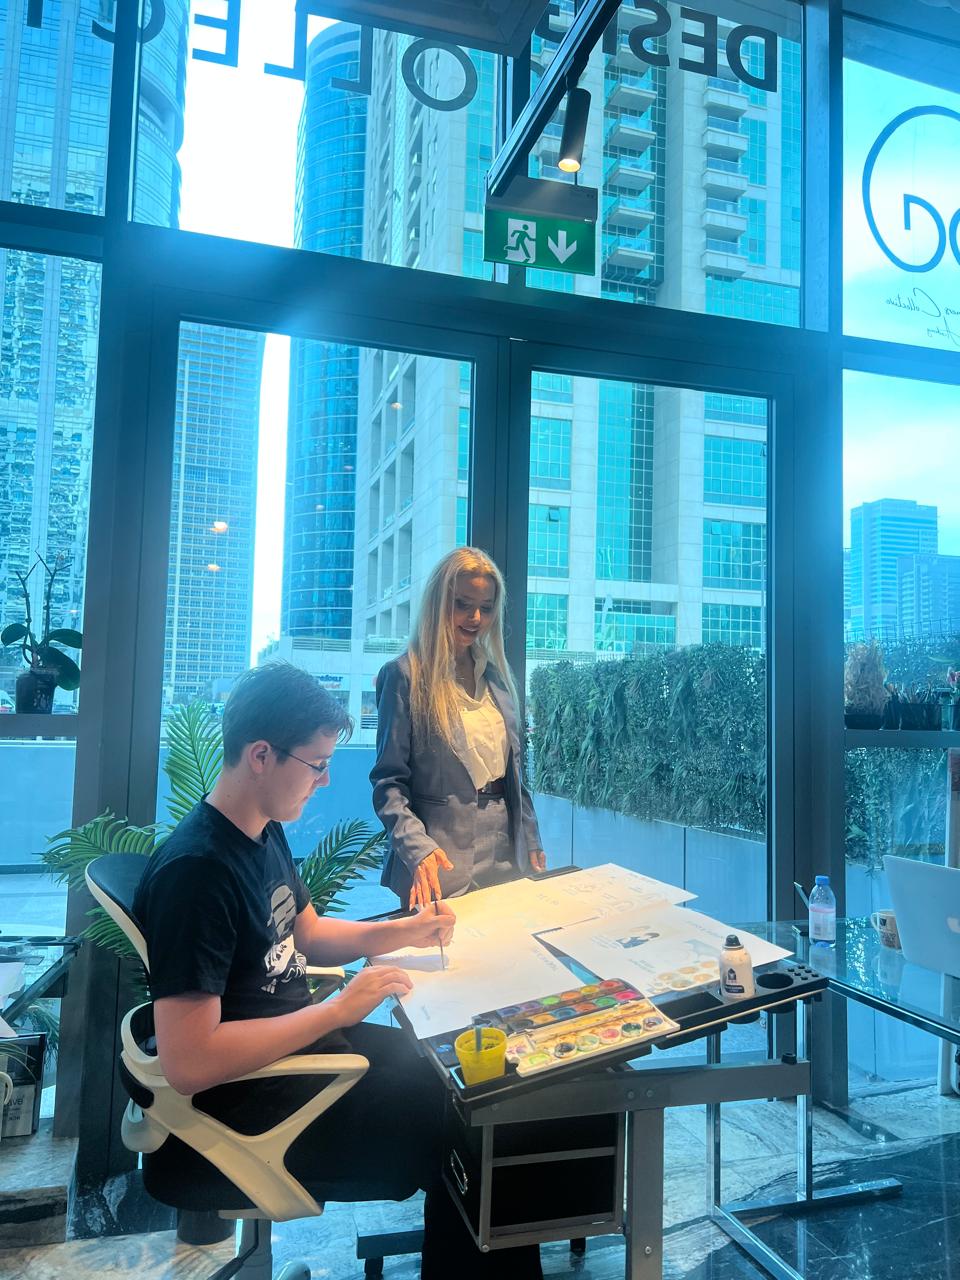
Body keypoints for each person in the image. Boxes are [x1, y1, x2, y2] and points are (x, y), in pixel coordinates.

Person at [133, 662, 542, 1279]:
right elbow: (191, 1061)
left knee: (468, 1085)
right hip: (262, 1104)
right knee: (474, 1125)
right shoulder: (197, 873)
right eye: (317, 764)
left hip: (303, 1060)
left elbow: (309, 933)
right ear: (262, 756)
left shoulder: (259, 830)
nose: (325, 780)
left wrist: (403, 930)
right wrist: (337, 1011)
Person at [372, 546, 547, 909]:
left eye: (486, 607)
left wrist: (530, 836)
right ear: (438, 602)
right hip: (438, 857)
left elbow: (515, 775)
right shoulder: (404, 676)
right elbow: (389, 783)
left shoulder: (498, 678)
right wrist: (416, 848)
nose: (475, 617)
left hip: (505, 851)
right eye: (462, 604)